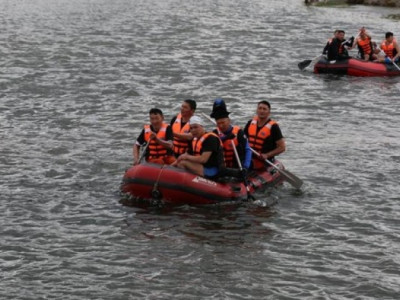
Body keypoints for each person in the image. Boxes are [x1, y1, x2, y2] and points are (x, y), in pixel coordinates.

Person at [210, 99, 252, 171]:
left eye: (223, 122)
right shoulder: (214, 134)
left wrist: (246, 166)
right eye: (218, 123)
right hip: (222, 167)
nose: (221, 126)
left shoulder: (239, 132)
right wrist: (226, 138)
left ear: (229, 121)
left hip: (238, 166)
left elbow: (248, 149)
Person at [244, 101, 286, 170]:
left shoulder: (274, 127)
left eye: (264, 109)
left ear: (269, 112)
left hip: (264, 160)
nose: (262, 111)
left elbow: (282, 147)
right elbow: (242, 140)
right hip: (249, 157)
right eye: (260, 108)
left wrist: (267, 155)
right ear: (257, 110)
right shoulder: (250, 123)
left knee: (247, 165)